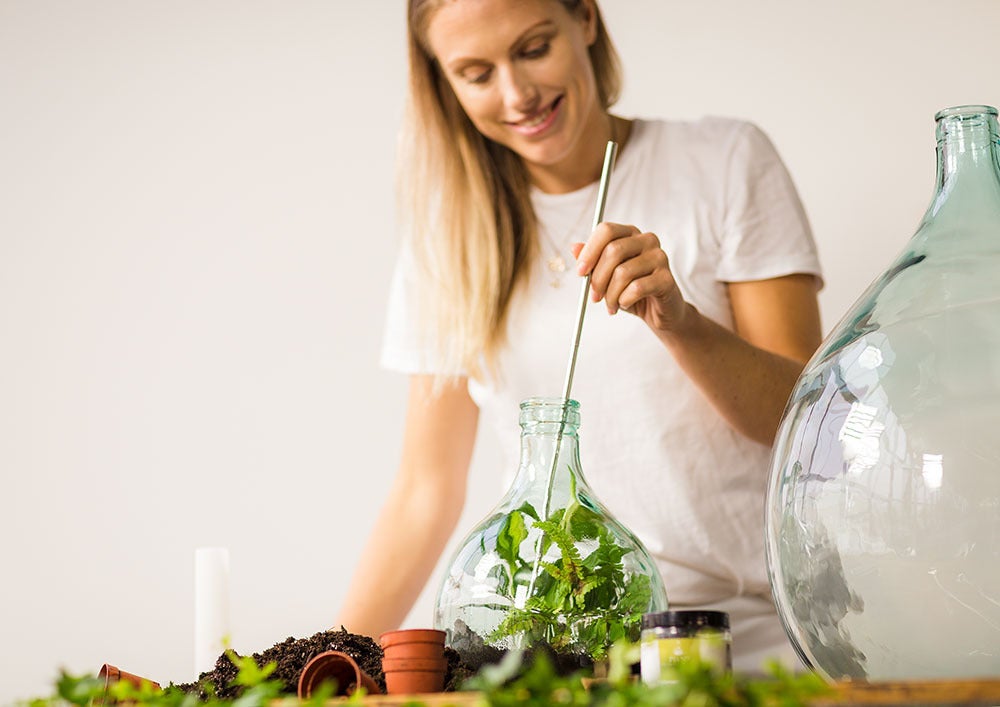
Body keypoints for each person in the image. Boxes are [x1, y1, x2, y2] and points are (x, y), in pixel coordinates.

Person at [336, 0, 823, 673]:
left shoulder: (723, 160)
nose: (517, 94)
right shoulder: (448, 232)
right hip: (553, 656)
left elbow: (801, 420)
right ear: (444, 83)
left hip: (734, 641)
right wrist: (315, 666)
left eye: (533, 49)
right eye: (476, 73)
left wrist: (679, 324)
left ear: (585, 20)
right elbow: (426, 489)